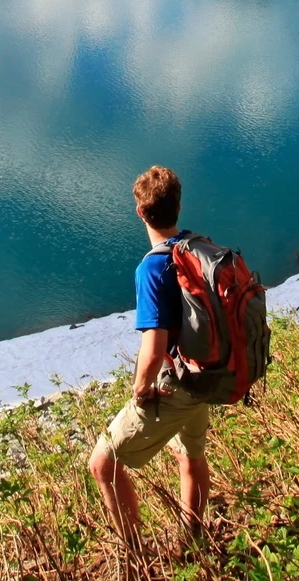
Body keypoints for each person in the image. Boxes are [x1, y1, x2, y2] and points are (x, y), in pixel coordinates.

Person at [87, 165, 211, 546]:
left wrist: (142, 389)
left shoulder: (153, 267)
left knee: (103, 463)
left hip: (177, 383)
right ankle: (193, 541)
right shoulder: (200, 246)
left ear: (141, 212)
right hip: (206, 374)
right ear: (179, 205)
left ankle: (137, 556)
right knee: (190, 455)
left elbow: (154, 345)